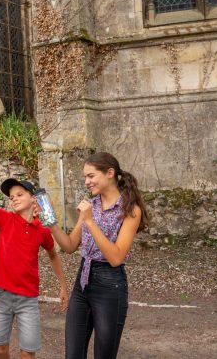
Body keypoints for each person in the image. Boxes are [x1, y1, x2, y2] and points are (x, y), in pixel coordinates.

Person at [0, 144, 68, 359]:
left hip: (27, 299)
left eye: (19, 194)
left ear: (33, 198)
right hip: (2, 296)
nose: (14, 198)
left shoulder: (43, 230)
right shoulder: (4, 219)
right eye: (11, 197)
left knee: (27, 352)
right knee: (0, 348)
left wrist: (63, 285)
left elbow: (53, 254)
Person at [43, 152, 149, 359]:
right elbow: (70, 245)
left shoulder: (130, 210)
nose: (86, 182)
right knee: (73, 354)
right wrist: (50, 221)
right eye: (85, 177)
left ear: (110, 173)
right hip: (82, 281)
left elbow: (116, 257)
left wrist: (90, 221)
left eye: (91, 176)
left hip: (110, 285)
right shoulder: (91, 205)